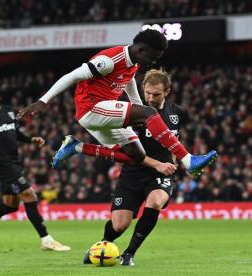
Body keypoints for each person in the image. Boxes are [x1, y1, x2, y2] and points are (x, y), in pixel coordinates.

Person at [17, 29, 217, 178]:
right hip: (92, 108)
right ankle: (188, 159)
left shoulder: (133, 61)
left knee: (136, 156)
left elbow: (130, 89)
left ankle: (76, 147)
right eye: (152, 57)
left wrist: (141, 114)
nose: (153, 62)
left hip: (103, 110)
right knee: (148, 114)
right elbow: (71, 76)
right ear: (140, 49)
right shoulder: (109, 61)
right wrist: (43, 101)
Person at [80, 69, 187, 266]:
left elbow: (176, 139)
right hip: (133, 171)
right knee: (119, 225)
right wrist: (159, 164)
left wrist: (177, 159)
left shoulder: (177, 113)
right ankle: (102, 246)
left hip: (160, 174)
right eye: (147, 93)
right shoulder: (131, 114)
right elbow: (129, 153)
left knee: (155, 202)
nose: (151, 98)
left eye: (156, 94)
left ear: (167, 92)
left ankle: (129, 253)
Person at [0, 80, 70, 251]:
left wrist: (30, 139)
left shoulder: (9, 111)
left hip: (13, 161)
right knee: (29, 195)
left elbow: (14, 133)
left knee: (10, 205)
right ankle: (46, 240)